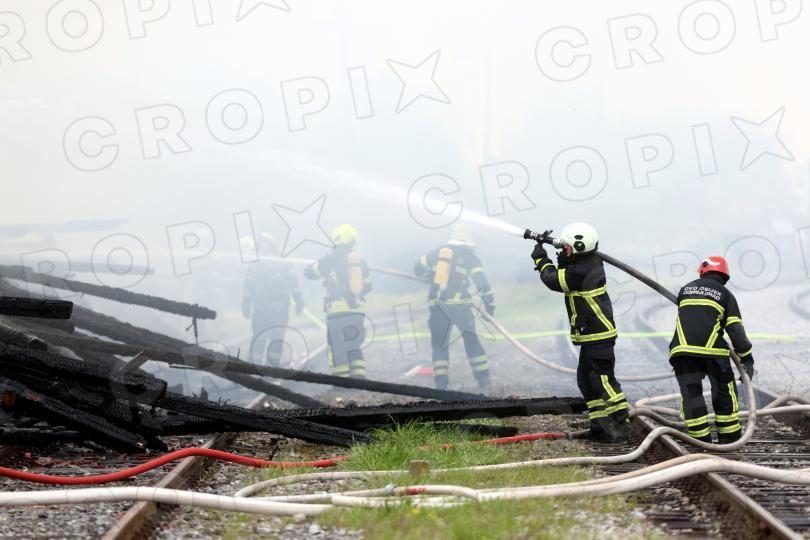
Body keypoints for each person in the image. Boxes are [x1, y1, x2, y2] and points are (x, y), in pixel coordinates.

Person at [531, 223, 630, 442]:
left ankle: (623, 423)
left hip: (598, 335)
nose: (564, 248)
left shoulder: (581, 271)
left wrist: (541, 259)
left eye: (567, 246)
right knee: (586, 381)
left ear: (577, 247)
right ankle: (600, 427)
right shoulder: (587, 261)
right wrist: (562, 253)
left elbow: (553, 280)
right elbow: (568, 265)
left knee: (602, 380)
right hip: (591, 335)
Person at [668, 255, 754, 444]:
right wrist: (747, 358)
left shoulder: (685, 289)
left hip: (682, 352)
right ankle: (729, 438)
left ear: (702, 272)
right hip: (713, 353)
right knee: (724, 392)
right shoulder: (725, 294)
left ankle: (700, 441)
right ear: (725, 276)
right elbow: (735, 330)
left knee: (691, 395)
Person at [414, 223, 494, 391]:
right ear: (468, 240)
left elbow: (417, 268)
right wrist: (489, 305)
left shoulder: (438, 252)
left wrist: (431, 274)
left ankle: (441, 384)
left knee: (439, 344)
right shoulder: (470, 257)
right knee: (471, 341)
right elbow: (482, 283)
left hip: (438, 306)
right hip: (461, 307)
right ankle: (484, 381)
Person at [304, 224, 371, 378]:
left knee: (337, 347)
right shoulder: (360, 262)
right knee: (353, 345)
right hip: (356, 312)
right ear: (353, 241)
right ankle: (359, 379)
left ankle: (342, 382)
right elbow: (368, 287)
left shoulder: (329, 260)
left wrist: (317, 264)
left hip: (337, 313)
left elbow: (309, 273)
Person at [241, 233, 304, 365]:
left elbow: (294, 283)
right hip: (261, 309)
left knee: (277, 338)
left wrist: (299, 300)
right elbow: (248, 286)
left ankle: (272, 366)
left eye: (265, 245)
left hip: (281, 310)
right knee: (259, 337)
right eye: (259, 246)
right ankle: (253, 366)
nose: (262, 248)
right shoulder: (254, 265)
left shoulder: (283, 264)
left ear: (272, 245)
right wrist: (245, 303)